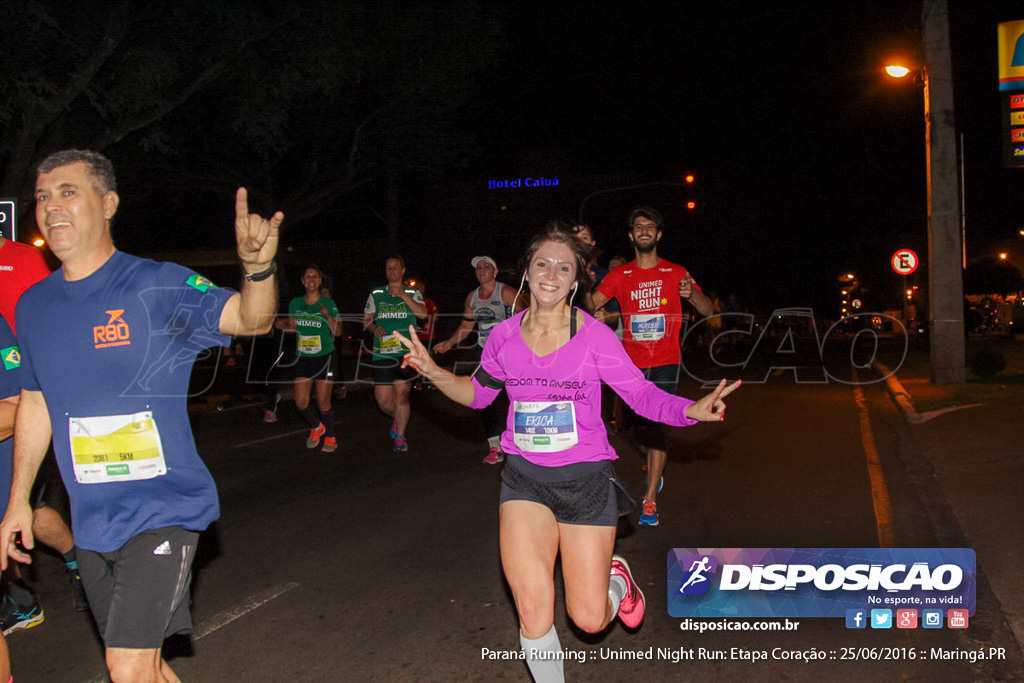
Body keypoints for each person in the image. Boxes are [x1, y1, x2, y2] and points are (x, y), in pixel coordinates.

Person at [394, 221, 739, 682]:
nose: (551, 274)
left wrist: (690, 410)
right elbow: (478, 395)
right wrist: (431, 370)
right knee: (534, 611)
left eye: (564, 267)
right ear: (528, 272)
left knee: (590, 620)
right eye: (543, 264)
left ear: (576, 280)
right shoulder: (504, 338)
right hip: (525, 481)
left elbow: (641, 396)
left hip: (586, 483)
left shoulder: (595, 336)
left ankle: (618, 580)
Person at [0, 149, 281, 682]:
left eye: (67, 192)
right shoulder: (33, 307)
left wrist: (258, 268)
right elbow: (35, 403)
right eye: (41, 196)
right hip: (92, 521)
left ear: (108, 204)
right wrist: (17, 502)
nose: (50, 207)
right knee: (144, 669)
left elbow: (251, 318)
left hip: (163, 508)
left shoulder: (155, 283)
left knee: (125, 668)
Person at [591, 206, 713, 527]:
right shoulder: (620, 276)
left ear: (658, 235)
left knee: (656, 429)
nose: (644, 230)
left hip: (665, 361)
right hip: (630, 367)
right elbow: (590, 305)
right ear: (631, 236)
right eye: (638, 227)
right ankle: (655, 465)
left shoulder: (676, 273)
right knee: (639, 430)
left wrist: (691, 295)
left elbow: (708, 308)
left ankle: (650, 499)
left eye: (650, 227)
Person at [0, 235, 88, 629]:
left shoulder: (22, 259)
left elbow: (54, 322)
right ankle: (17, 597)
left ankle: (77, 564)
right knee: (26, 514)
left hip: (25, 396)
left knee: (31, 513)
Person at [432, 256, 519, 464]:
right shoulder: (472, 297)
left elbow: (526, 317)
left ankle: (519, 442)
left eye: (486, 266)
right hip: (484, 355)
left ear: (495, 271)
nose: (481, 270)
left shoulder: (506, 292)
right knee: (484, 401)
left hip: (509, 354)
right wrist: (449, 343)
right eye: (478, 268)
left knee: (514, 397)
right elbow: (466, 325)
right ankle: (495, 447)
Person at [363, 256, 426, 452]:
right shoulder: (376, 294)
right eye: (388, 268)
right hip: (383, 353)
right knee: (382, 400)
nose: (391, 270)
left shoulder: (412, 292)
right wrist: (374, 329)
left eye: (395, 267)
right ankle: (398, 420)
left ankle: (400, 435)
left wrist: (404, 296)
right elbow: (366, 320)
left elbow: (423, 314)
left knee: (401, 396)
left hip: (405, 352)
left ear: (402, 270)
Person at [277, 266, 340, 452]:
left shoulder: (328, 303)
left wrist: (328, 316)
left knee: (323, 402)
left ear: (319, 281)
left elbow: (339, 331)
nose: (311, 280)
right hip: (304, 357)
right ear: (303, 281)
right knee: (301, 401)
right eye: (307, 277)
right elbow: (293, 328)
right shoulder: (295, 303)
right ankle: (316, 427)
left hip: (325, 357)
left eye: (315, 277)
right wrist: (279, 326)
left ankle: (330, 436)